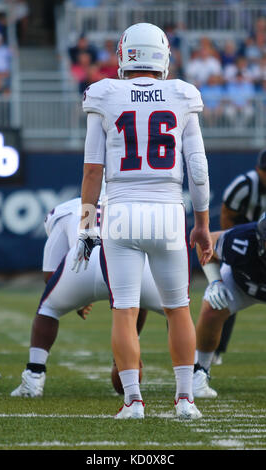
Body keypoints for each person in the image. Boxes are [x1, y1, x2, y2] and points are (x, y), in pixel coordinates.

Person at [73, 23, 212, 420]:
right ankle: (185, 400)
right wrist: (201, 223)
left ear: (124, 54)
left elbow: (92, 172)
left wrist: (86, 226)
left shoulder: (105, 93)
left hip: (119, 212)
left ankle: (133, 401)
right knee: (178, 308)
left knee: (125, 310)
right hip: (168, 211)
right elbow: (198, 170)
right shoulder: (182, 94)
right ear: (162, 55)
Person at [10, 198, 162, 398]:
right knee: (176, 310)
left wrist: (78, 298)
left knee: (48, 309)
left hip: (85, 258)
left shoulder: (64, 212)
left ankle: (34, 376)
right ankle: (191, 375)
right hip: (129, 264)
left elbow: (50, 275)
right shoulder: (134, 205)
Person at [193, 213, 266, 398]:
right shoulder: (241, 240)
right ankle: (199, 372)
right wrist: (214, 281)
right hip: (242, 284)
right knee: (212, 307)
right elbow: (205, 243)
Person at [214, 147, 266, 364]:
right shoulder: (245, 186)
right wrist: (235, 245)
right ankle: (215, 349)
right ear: (258, 169)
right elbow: (227, 213)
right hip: (248, 244)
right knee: (224, 294)